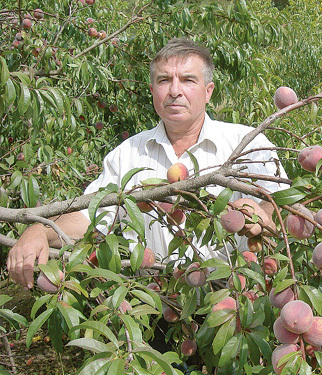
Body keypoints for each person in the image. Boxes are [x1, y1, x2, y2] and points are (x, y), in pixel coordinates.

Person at [7, 37, 286, 290]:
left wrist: (262, 210)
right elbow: (90, 217)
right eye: (165, 80)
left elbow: (283, 209)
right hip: (157, 303)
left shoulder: (248, 144)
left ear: (208, 91)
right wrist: (40, 230)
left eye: (188, 80)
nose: (175, 91)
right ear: (152, 90)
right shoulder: (128, 154)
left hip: (235, 301)